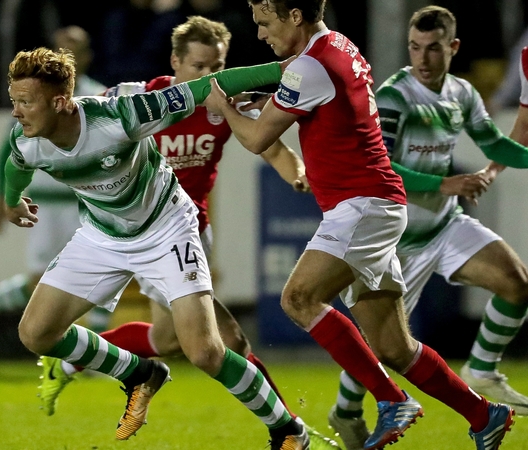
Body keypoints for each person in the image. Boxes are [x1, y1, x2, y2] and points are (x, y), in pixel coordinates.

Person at [202, 1, 515, 449]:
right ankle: (485, 415)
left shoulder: (308, 66)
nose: (260, 34)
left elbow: (255, 139)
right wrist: (263, 101)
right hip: (374, 203)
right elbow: (318, 99)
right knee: (394, 348)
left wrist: (222, 104)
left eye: (265, 23)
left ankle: (391, 401)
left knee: (298, 298)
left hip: (363, 204)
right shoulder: (340, 46)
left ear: (294, 16)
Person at [35, 15, 339, 449]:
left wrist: (297, 173)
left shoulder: (227, 106)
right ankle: (289, 428)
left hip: (192, 231)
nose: (209, 77)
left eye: (217, 67)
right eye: (199, 67)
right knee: (226, 340)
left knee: (166, 339)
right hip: (154, 233)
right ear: (175, 62)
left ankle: (66, 365)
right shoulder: (144, 100)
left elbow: (271, 146)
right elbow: (88, 118)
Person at [326, 6, 528, 449]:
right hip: (396, 240)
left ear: (453, 47)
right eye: (415, 48)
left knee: (517, 284)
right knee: (382, 346)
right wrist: (446, 182)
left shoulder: (462, 93)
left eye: (433, 48)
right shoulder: (396, 95)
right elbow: (383, 166)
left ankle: (481, 368)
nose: (422, 58)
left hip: (443, 224)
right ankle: (344, 409)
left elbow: (494, 144)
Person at [0, 25, 110, 351]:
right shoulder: (33, 96)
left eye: (74, 48)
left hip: (88, 201)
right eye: (60, 48)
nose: (65, 54)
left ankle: (96, 352)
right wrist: (4, 196)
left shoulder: (99, 94)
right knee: (40, 281)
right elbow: (8, 151)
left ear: (87, 56)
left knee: (100, 274)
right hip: (47, 203)